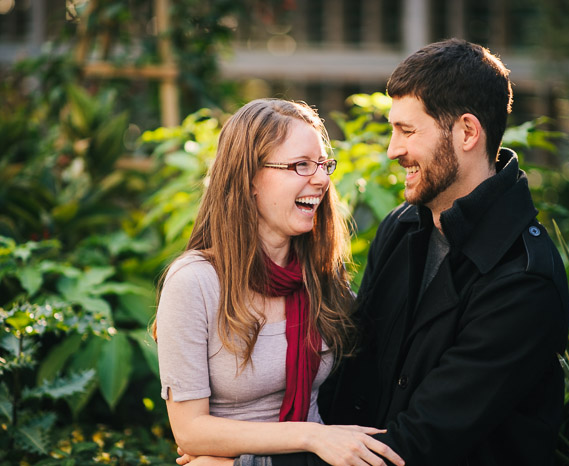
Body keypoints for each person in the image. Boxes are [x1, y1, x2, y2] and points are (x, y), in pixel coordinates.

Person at [226, 39, 569, 466]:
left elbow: (422, 444)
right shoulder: (403, 227)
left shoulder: (522, 279)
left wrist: (247, 463)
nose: (393, 149)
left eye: (407, 131)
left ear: (466, 132)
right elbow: (351, 380)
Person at [154, 98, 404, 466]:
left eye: (322, 165)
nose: (320, 179)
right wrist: (312, 435)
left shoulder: (320, 279)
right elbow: (190, 431)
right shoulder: (194, 283)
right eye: (300, 165)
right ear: (250, 178)